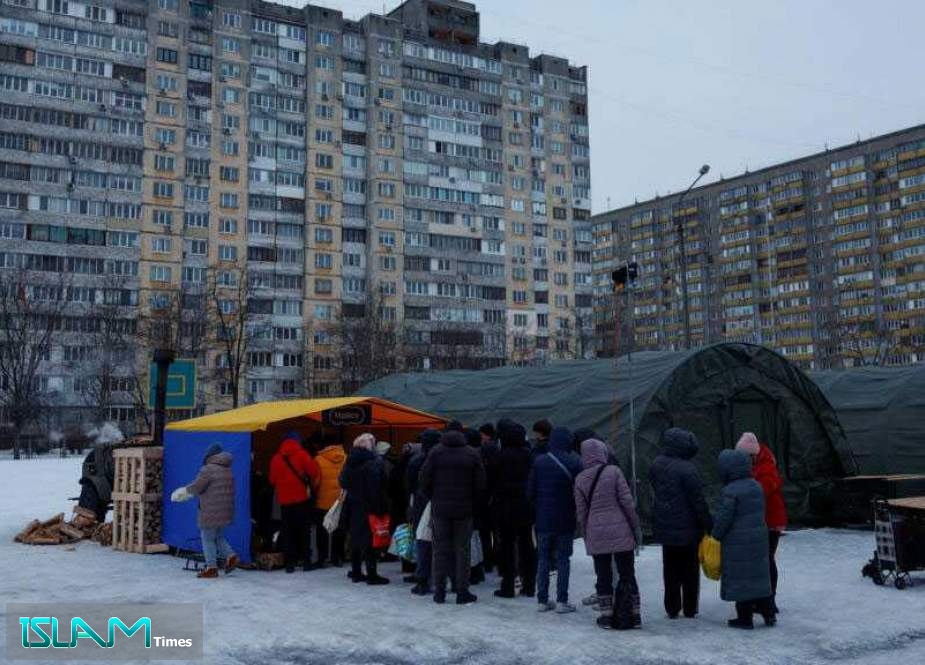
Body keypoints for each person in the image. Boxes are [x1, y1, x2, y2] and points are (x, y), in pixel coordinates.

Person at [574, 438, 641, 630]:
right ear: (603, 452)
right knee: (627, 573)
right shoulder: (614, 471)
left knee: (603, 575)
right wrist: (634, 526)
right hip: (621, 529)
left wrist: (587, 535)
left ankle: (606, 616)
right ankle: (634, 615)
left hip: (596, 532)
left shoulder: (580, 479)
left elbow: (581, 513)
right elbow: (627, 502)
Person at [649, 427, 713, 619]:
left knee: (670, 568)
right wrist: (708, 523)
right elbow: (698, 501)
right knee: (690, 570)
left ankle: (672, 607)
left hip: (665, 525)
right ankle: (690, 607)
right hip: (688, 529)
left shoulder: (656, 464)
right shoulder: (688, 469)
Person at [420, 430, 486, 605]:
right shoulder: (472, 453)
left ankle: (439, 592)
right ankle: (462, 591)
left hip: (440, 509)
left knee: (440, 550)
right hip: (464, 510)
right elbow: (481, 484)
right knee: (462, 550)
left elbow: (424, 479)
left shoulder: (436, 452)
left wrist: (434, 497)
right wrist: (472, 503)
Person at [712, 448, 775, 629]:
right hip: (759, 539)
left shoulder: (730, 491)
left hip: (737, 542)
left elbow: (724, 517)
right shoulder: (756, 486)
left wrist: (716, 534)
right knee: (758, 578)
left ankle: (745, 619)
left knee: (741, 580)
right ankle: (769, 613)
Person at [528, 426, 582, 613]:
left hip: (543, 518)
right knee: (563, 559)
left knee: (543, 559)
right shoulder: (575, 462)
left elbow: (530, 492)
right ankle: (562, 601)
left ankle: (542, 600)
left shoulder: (539, 461)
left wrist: (539, 508)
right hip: (565, 518)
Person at [736, 433, 787, 614]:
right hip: (764, 519)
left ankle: (769, 601)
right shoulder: (760, 464)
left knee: (766, 560)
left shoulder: (765, 468)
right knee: (764, 560)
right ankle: (764, 601)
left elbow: (763, 490)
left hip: (769, 521)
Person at [170, 444, 238, 579]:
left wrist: (183, 492)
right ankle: (231, 556)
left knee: (207, 538)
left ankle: (211, 568)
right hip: (225, 509)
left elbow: (197, 486)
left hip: (210, 510)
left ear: (210, 456)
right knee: (218, 536)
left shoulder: (208, 469)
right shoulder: (228, 469)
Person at [489, 419, 536, 599]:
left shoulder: (498, 456)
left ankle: (508, 585)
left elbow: (490, 481)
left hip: (504, 507)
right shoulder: (529, 455)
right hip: (525, 505)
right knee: (527, 544)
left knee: (506, 546)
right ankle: (529, 585)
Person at [339, 433, 390, 585]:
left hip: (352, 505)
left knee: (355, 538)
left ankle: (356, 572)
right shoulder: (372, 462)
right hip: (368, 506)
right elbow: (376, 487)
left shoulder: (349, 461)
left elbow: (342, 481)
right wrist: (379, 507)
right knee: (369, 540)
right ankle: (372, 575)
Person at [269, 431, 320, 573]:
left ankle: (290, 564)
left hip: (284, 502)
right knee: (304, 531)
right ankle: (306, 561)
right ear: (298, 441)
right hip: (302, 499)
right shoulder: (303, 455)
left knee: (288, 531)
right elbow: (314, 472)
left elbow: (272, 480)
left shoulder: (276, 458)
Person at [407, 429, 442, 596]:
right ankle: (444, 579)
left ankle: (422, 579)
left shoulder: (417, 460)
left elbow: (409, 484)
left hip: (421, 504)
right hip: (442, 503)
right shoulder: (443, 459)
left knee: (423, 541)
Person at [312, 437, 346, 567]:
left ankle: (322, 557)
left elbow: (316, 481)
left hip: (323, 500)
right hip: (340, 500)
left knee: (323, 529)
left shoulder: (318, 459)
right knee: (339, 529)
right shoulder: (345, 458)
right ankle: (337, 557)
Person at [477, 423, 501, 573]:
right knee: (497, 531)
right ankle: (498, 558)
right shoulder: (499, 448)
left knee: (484, 532)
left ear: (485, 435)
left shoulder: (483, 450)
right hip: (497, 497)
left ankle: (487, 561)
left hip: (484, 497)